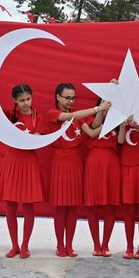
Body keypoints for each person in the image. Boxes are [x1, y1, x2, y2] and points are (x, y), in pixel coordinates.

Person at [46, 84, 108, 257]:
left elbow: (93, 131)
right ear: (58, 97)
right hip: (59, 161)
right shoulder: (54, 113)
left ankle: (69, 245)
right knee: (60, 207)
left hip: (75, 162)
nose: (70, 101)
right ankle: (60, 245)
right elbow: (70, 116)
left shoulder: (79, 118)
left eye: (73, 98)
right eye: (67, 98)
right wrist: (97, 108)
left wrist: (106, 114)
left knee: (72, 207)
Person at [0, 84, 45, 258]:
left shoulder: (38, 117)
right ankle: (14, 245)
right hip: (13, 160)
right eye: (21, 100)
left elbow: (36, 139)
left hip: (29, 161)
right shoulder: (9, 115)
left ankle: (25, 246)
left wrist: (29, 138)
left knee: (28, 205)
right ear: (14, 100)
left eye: (28, 99)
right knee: (11, 204)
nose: (25, 103)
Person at [83, 100, 121, 257]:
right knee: (92, 204)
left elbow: (121, 140)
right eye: (106, 108)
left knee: (110, 205)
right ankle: (96, 244)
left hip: (112, 163)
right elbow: (93, 128)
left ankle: (105, 245)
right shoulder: (92, 120)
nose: (108, 111)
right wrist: (101, 110)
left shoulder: (118, 123)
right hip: (94, 163)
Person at [118, 118, 139, 259]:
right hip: (127, 166)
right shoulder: (121, 117)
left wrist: (138, 126)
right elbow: (120, 141)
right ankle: (129, 246)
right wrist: (122, 124)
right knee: (130, 210)